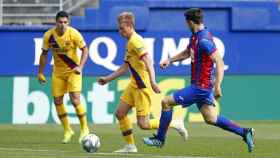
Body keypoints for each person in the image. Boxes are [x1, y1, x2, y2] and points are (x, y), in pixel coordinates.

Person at [143, 8, 255, 153]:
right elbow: (186, 52)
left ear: (190, 22)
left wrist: (218, 86)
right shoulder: (195, 37)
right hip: (201, 86)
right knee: (211, 118)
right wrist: (170, 60)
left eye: (186, 22)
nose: (186, 25)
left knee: (166, 102)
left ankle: (159, 139)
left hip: (200, 88)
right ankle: (245, 132)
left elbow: (219, 63)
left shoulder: (204, 40)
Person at [97, 11, 188, 153]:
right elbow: (125, 67)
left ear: (129, 25)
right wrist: (107, 79)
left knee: (144, 124)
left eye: (121, 28)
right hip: (133, 85)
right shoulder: (130, 43)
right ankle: (130, 146)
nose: (119, 31)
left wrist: (153, 81)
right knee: (120, 114)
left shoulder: (136, 41)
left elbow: (148, 62)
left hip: (142, 86)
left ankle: (174, 123)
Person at [37, 11, 89, 144]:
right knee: (57, 101)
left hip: (73, 71)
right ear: (56, 22)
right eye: (60, 22)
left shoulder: (74, 34)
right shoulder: (49, 36)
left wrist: (80, 67)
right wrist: (41, 72)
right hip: (58, 72)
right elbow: (44, 54)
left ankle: (84, 128)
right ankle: (67, 130)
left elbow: (85, 50)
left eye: (65, 22)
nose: (63, 25)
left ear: (68, 23)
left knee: (75, 100)